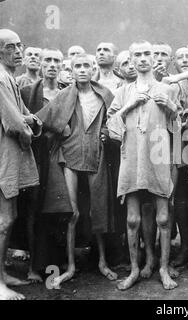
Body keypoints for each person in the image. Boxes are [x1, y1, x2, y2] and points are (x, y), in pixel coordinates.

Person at [36, 54, 117, 288]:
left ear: (93, 69)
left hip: (96, 155)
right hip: (69, 155)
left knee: (97, 209)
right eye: (77, 66)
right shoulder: (64, 95)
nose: (82, 70)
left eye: (86, 66)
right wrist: (60, 127)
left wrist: (105, 130)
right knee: (73, 214)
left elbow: (116, 117)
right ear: (71, 70)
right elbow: (42, 120)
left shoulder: (104, 94)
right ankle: (71, 267)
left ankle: (102, 261)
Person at [107, 40, 181, 291]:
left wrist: (168, 105)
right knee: (132, 220)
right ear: (130, 59)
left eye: (146, 54)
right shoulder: (123, 92)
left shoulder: (167, 89)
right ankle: (136, 269)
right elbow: (112, 127)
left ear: (153, 57)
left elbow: (178, 126)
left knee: (162, 216)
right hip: (132, 157)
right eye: (136, 55)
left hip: (158, 156)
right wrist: (131, 105)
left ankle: (162, 268)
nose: (142, 59)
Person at [0, 29, 42, 300]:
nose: (17, 51)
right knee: (3, 220)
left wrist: (30, 121)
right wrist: (29, 131)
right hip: (4, 155)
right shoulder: (1, 78)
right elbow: (16, 123)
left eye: (19, 46)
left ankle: (2, 275)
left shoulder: (9, 77)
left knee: (10, 216)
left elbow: (24, 115)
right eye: (10, 47)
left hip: (10, 155)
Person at [19, 48, 66, 283]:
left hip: (60, 156)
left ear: (62, 64)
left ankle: (57, 261)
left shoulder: (68, 92)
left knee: (58, 209)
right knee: (33, 210)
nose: (51, 64)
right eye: (47, 60)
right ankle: (34, 265)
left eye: (57, 60)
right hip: (35, 156)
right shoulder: (27, 92)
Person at [170, 47, 188, 270]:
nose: (184, 61)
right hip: (179, 143)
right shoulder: (172, 85)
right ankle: (186, 247)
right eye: (179, 58)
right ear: (174, 61)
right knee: (181, 198)